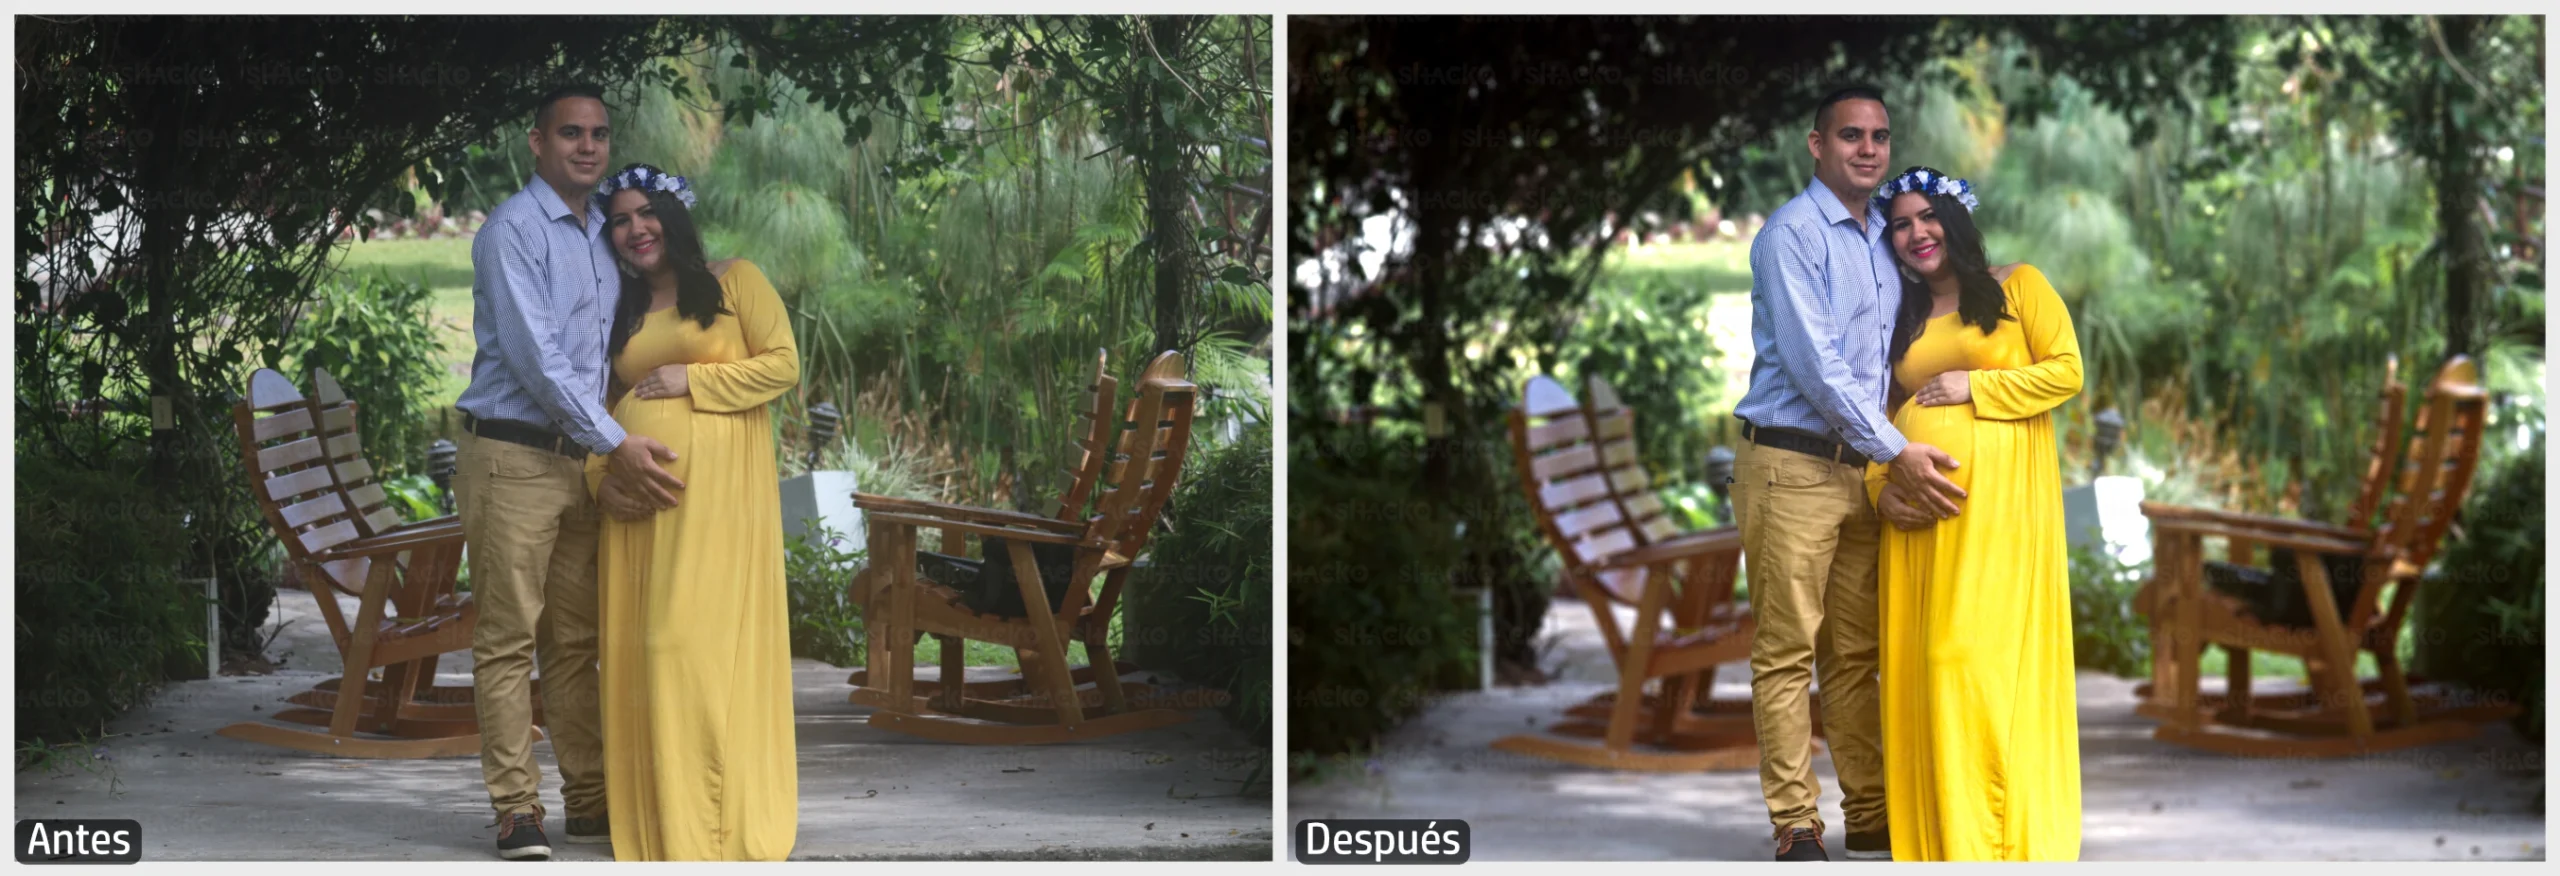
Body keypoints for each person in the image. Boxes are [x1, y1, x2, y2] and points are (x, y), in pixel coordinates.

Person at [1730, 84, 1967, 863]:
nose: (1867, 149)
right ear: (1817, 145)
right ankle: (1796, 823)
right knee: (1788, 653)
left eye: (1879, 137)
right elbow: (1818, 368)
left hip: (1860, 475)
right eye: (1850, 136)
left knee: (1854, 658)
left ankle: (1871, 812)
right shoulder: (1790, 236)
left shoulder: (1883, 239)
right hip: (1791, 465)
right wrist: (1897, 451)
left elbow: (1907, 342)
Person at [453, 84, 685, 862]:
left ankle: (589, 802)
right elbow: (540, 362)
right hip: (512, 456)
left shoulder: (602, 237)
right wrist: (618, 442)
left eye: (598, 135)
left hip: (578, 466)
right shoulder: (512, 233)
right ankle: (518, 810)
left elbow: (627, 335)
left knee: (575, 643)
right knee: (508, 642)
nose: (587, 146)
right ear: (537, 144)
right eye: (570, 134)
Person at [585, 163, 802, 861]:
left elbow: (782, 365)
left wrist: (693, 378)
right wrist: (600, 474)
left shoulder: (734, 279)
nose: (634, 229)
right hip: (639, 509)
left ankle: (720, 820)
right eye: (619, 220)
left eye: (645, 213)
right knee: (645, 656)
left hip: (719, 507)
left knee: (692, 651)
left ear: (672, 215)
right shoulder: (617, 308)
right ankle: (663, 822)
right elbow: (594, 404)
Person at [1868, 167, 2085, 861]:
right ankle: (1946, 841)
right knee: (1928, 669)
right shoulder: (1896, 316)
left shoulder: (2019, 285)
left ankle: (2001, 839)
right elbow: (1874, 414)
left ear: (1954, 221)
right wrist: (1881, 486)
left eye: (1926, 218)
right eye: (1900, 224)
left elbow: (2066, 371)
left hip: (2002, 519)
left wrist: (1975, 385)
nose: (1915, 234)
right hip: (1921, 524)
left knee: (1967, 659)